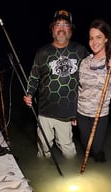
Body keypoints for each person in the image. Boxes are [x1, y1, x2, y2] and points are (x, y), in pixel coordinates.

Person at [23, 9, 89, 159]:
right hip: (45, 111)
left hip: (67, 113)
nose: (61, 28)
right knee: (43, 150)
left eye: (65, 25)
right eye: (58, 24)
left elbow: (94, 68)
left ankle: (73, 175)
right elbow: (34, 77)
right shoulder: (42, 52)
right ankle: (42, 176)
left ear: (71, 30)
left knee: (69, 152)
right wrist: (29, 93)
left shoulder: (80, 50)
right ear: (52, 29)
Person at [76, 18, 111, 163]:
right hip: (81, 113)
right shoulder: (84, 62)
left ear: (106, 39)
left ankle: (101, 164)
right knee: (85, 147)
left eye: (99, 37)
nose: (94, 41)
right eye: (91, 38)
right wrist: (73, 114)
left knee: (96, 149)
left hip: (100, 114)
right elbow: (78, 90)